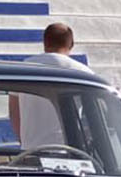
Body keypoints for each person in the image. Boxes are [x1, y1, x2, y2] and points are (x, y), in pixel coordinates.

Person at [10, 22, 79, 150]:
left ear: (45, 43)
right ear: (71, 44)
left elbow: (14, 111)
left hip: (32, 151)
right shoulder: (81, 73)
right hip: (69, 153)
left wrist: (24, 142)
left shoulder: (22, 69)